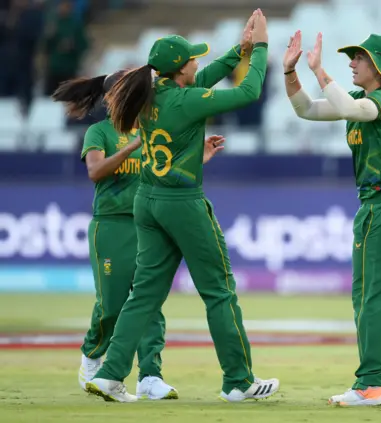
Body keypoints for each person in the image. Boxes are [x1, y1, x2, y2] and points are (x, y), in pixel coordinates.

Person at [81, 9, 278, 403]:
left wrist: (236, 52)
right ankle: (238, 380)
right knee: (219, 291)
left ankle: (110, 374)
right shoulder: (184, 100)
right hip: (182, 203)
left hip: (147, 203)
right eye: (193, 58)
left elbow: (202, 81)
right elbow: (249, 92)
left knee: (145, 295)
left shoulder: (150, 94)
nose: (197, 62)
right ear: (179, 69)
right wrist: (259, 50)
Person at [283, 31, 381, 407]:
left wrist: (320, 70)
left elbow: (353, 112)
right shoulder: (361, 98)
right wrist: (291, 72)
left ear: (380, 66)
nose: (352, 63)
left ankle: (371, 382)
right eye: (352, 57)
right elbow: (306, 109)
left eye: (359, 58)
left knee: (369, 294)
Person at [51, 70, 225, 400]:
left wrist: (197, 157)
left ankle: (150, 375)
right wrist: (132, 146)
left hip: (148, 222)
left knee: (149, 301)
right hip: (112, 224)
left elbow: (166, 170)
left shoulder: (151, 129)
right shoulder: (98, 132)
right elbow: (95, 171)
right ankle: (92, 355)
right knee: (113, 303)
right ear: (110, 98)